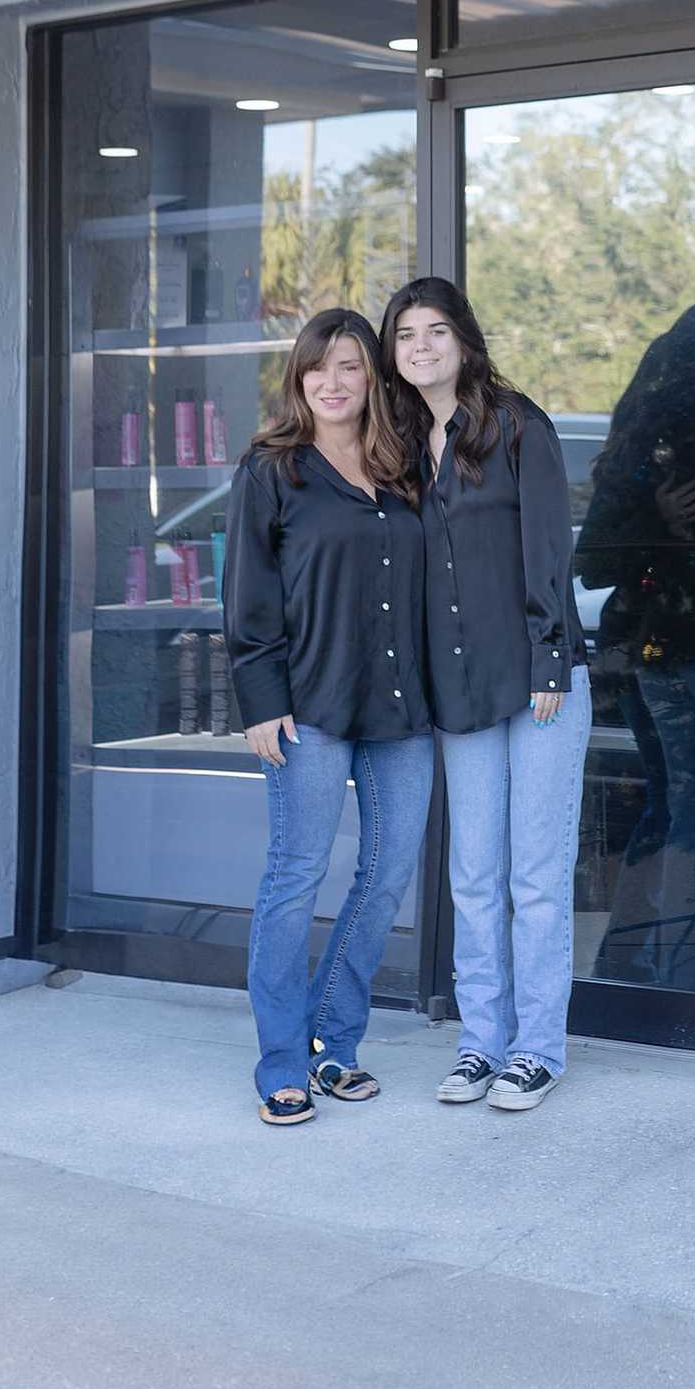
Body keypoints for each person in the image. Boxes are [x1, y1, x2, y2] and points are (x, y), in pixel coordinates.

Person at [381, 276, 591, 1114]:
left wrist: (549, 660)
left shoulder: (516, 424)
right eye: (405, 336)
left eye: (436, 331)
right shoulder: (397, 440)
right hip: (460, 686)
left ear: (464, 340)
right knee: (473, 875)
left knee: (535, 876)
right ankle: (481, 1044)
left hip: (538, 681)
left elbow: (547, 547)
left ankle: (537, 1050)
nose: (421, 347)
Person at [223, 307, 434, 1126]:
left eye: (351, 367)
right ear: (299, 378)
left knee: (385, 879)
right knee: (294, 879)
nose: (335, 383)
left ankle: (335, 1046)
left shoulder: (404, 465)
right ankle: (281, 1059)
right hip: (306, 709)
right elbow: (248, 599)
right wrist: (260, 703)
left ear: (373, 376)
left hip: (400, 709)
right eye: (320, 368)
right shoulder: (273, 471)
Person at [575, 301, 695, 995]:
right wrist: (667, 524)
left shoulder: (636, 440)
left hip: (650, 650)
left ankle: (638, 965)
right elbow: (597, 560)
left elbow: (593, 560)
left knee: (677, 802)